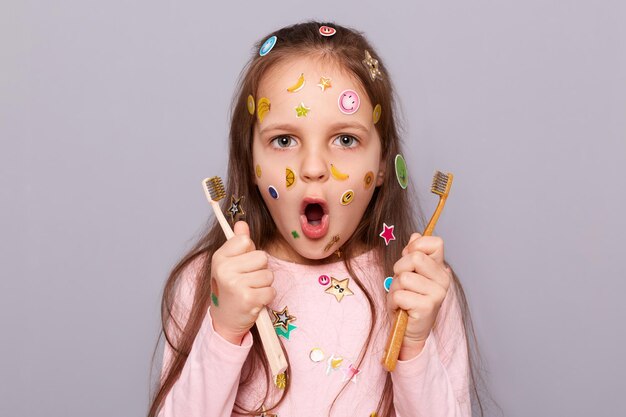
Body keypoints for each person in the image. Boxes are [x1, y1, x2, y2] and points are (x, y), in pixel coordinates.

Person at [148, 21, 484, 417]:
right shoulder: (209, 283)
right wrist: (223, 332)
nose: (312, 168)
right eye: (284, 140)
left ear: (381, 164)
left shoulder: (420, 289)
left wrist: (413, 347)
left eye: (345, 139)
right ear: (251, 161)